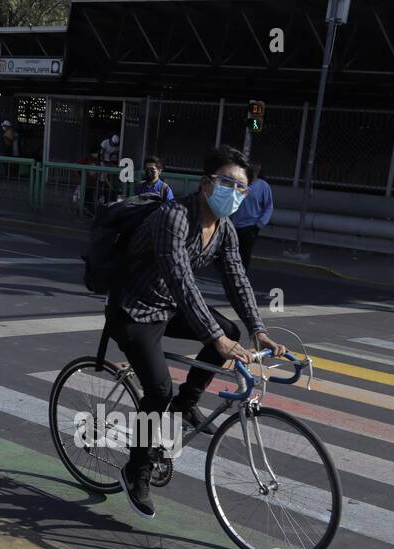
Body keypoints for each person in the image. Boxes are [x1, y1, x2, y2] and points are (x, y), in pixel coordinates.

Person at [108, 145, 287, 519]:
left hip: (169, 309)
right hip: (134, 309)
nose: (235, 194)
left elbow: (237, 279)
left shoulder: (224, 229)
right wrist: (214, 339)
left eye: (243, 189)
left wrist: (258, 329)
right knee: (158, 388)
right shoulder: (173, 217)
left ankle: (185, 405)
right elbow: (182, 283)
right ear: (207, 183)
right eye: (228, 184)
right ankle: (135, 470)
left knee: (230, 330)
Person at [231, 162, 274, 271]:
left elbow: (268, 206)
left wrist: (260, 223)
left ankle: (242, 274)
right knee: (232, 252)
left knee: (245, 252)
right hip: (235, 223)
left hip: (251, 225)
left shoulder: (263, 186)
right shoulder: (241, 182)